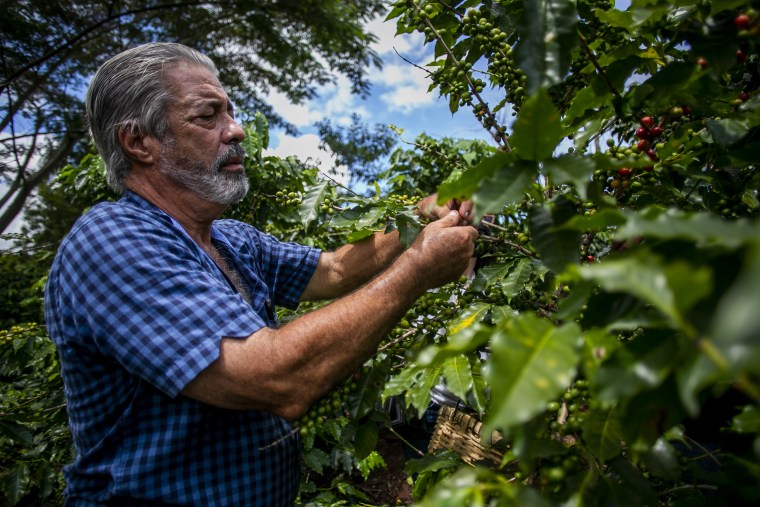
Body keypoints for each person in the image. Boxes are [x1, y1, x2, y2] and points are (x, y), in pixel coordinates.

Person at [44, 42, 477, 506]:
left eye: (229, 111)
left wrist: (417, 218)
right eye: (207, 116)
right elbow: (277, 378)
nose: (237, 129)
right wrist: (418, 269)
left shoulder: (230, 239)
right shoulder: (113, 241)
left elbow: (333, 270)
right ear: (139, 142)